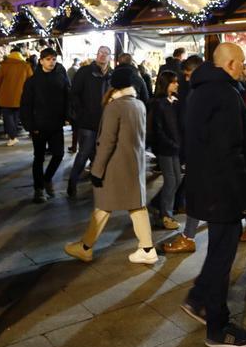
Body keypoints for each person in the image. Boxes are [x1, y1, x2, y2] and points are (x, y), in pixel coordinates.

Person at [180, 42, 246, 347]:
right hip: (224, 188)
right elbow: (231, 151)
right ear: (228, 64)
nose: (244, 67)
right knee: (222, 256)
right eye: (240, 62)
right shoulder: (225, 95)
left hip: (206, 184)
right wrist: (244, 195)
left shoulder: (200, 90)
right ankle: (218, 326)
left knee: (217, 252)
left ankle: (199, 298)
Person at [64, 67, 156, 264]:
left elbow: (107, 142)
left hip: (115, 165)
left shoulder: (115, 107)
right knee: (136, 206)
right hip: (134, 164)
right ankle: (147, 248)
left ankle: (85, 248)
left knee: (104, 205)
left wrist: (97, 170)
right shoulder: (138, 104)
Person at [162, 53, 206, 255]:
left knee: (197, 195)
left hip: (203, 153)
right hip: (204, 152)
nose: (184, 80)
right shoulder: (204, 90)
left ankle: (188, 238)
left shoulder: (201, 92)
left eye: (187, 75)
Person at [21, 47, 70, 202]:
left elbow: (67, 98)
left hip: (56, 124)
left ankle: (46, 179)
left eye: (54, 59)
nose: (51, 62)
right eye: (48, 59)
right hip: (39, 126)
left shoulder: (61, 78)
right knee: (39, 158)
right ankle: (39, 189)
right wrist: (30, 125)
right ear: (41, 61)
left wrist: (68, 116)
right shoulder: (32, 81)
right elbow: (26, 104)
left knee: (59, 154)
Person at [67, 46, 112, 198]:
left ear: (110, 57)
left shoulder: (112, 75)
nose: (102, 56)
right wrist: (80, 113)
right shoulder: (85, 72)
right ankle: (72, 184)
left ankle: (99, 183)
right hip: (87, 122)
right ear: (96, 55)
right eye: (100, 53)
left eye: (106, 53)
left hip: (106, 122)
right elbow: (74, 94)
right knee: (84, 153)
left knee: (100, 154)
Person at [148, 70, 183, 230]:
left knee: (176, 179)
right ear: (165, 84)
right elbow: (158, 129)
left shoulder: (174, 102)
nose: (176, 84)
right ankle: (165, 215)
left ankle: (156, 205)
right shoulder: (158, 103)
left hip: (174, 147)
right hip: (165, 148)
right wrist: (170, 143)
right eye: (173, 82)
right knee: (171, 180)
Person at [0, 47, 32, 146]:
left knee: (8, 116)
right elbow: (31, 81)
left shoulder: (4, 65)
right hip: (21, 95)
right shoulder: (25, 65)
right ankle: (13, 135)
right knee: (15, 116)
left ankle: (12, 136)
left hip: (5, 95)